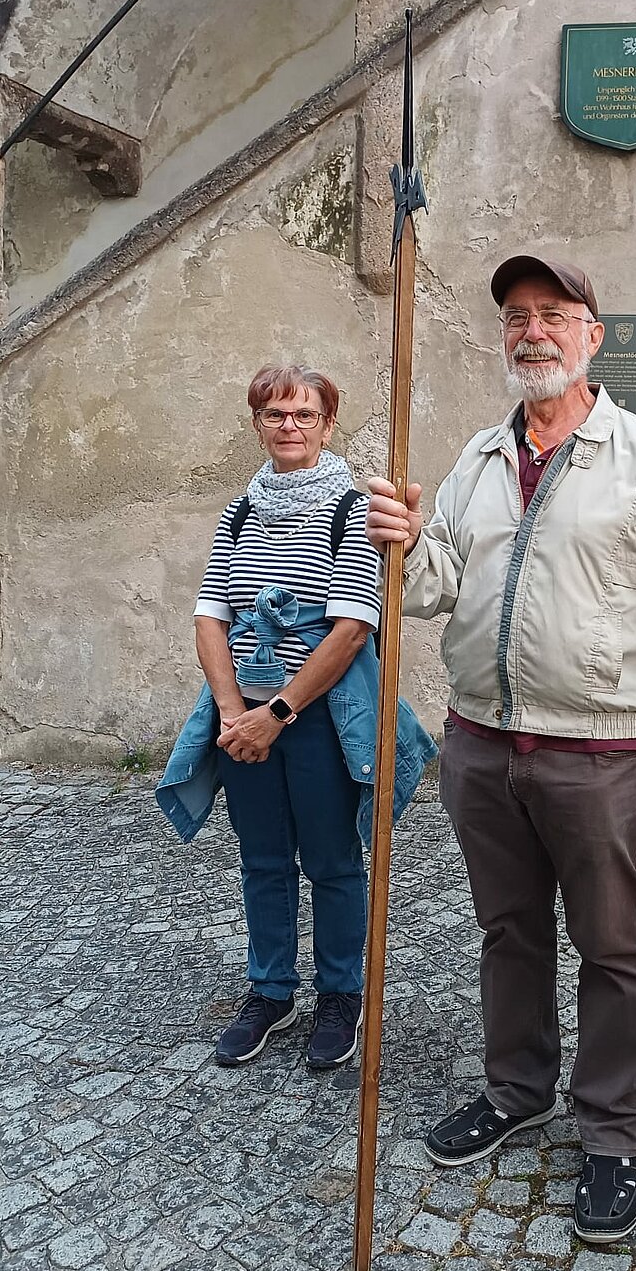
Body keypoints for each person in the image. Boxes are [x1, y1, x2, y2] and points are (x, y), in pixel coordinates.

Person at [365, 256, 636, 1243]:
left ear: (592, 334)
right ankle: (517, 1089)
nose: (531, 332)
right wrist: (402, 542)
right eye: (515, 316)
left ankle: (613, 1132)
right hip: (481, 743)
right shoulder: (478, 458)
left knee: (613, 947)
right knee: (509, 931)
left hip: (599, 753)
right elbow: (435, 586)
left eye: (552, 314)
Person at [177, 364, 388, 1070]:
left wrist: (278, 712)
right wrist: (233, 713)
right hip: (244, 719)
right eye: (275, 414)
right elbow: (211, 616)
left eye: (304, 415)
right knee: (262, 859)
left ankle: (341, 996)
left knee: (331, 862)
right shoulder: (240, 511)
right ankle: (271, 992)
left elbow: (352, 628)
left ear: (328, 424)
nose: (289, 426)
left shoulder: (350, 510)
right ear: (257, 424)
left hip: (319, 720)